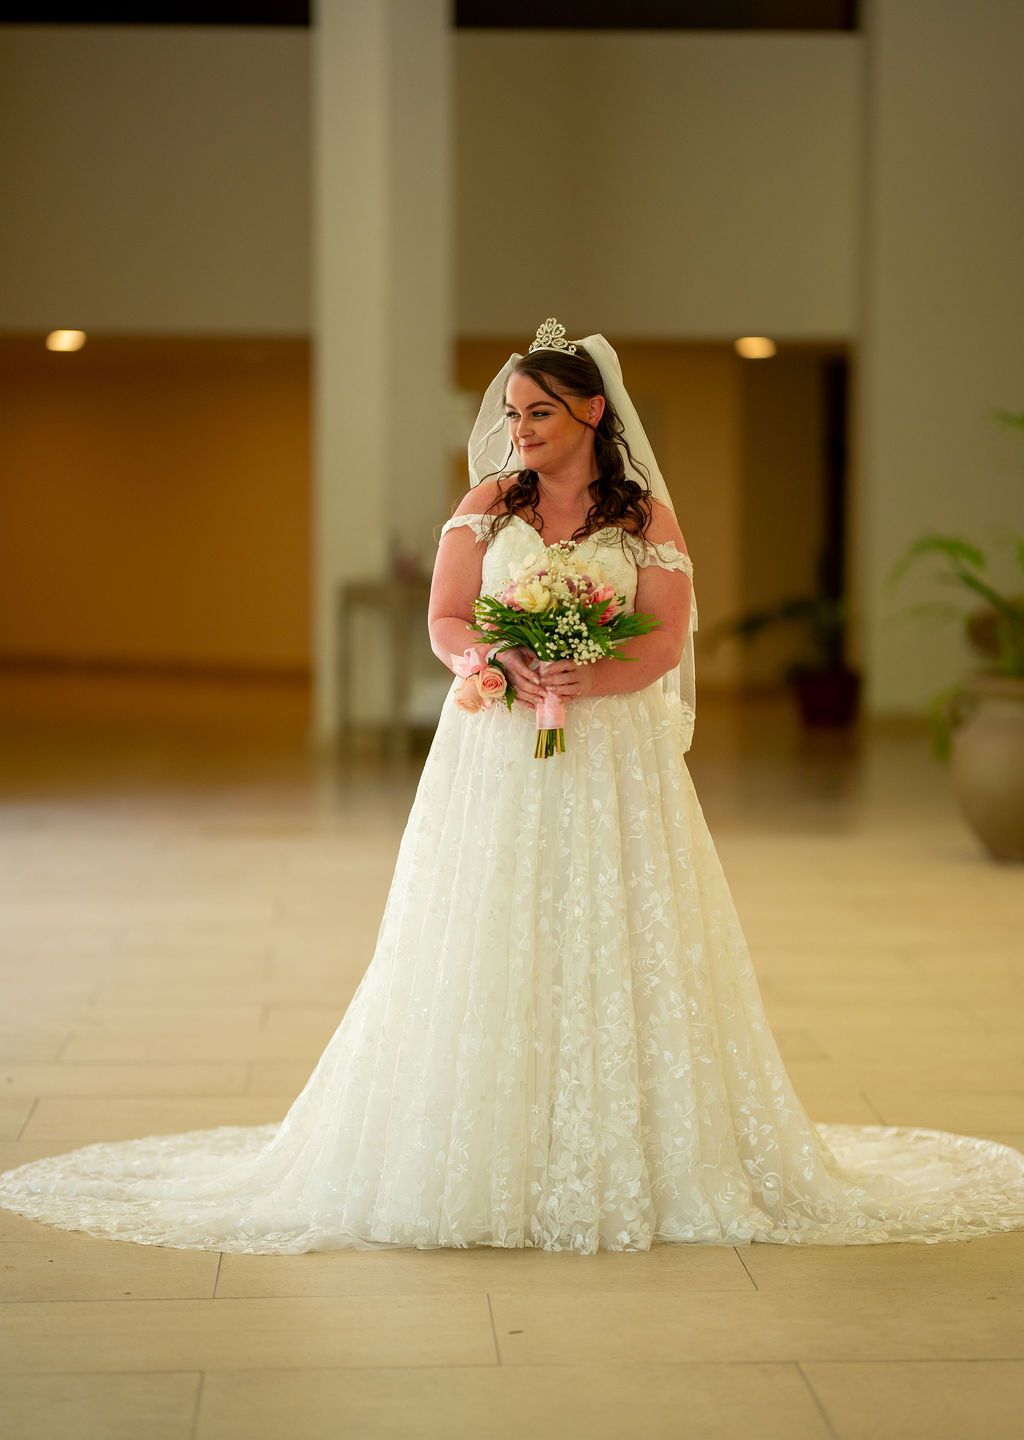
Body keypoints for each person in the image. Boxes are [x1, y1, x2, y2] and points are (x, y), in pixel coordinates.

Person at [1, 318, 1022, 1255]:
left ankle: (629, 1142)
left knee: (612, 925)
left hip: (612, 750)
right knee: (490, 924)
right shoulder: (488, 506)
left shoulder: (644, 513)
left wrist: (594, 673)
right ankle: (481, 1142)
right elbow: (447, 620)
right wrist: (491, 663)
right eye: (512, 413)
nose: (517, 429)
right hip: (496, 745)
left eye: (537, 412)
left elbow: (665, 636)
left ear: (589, 414)